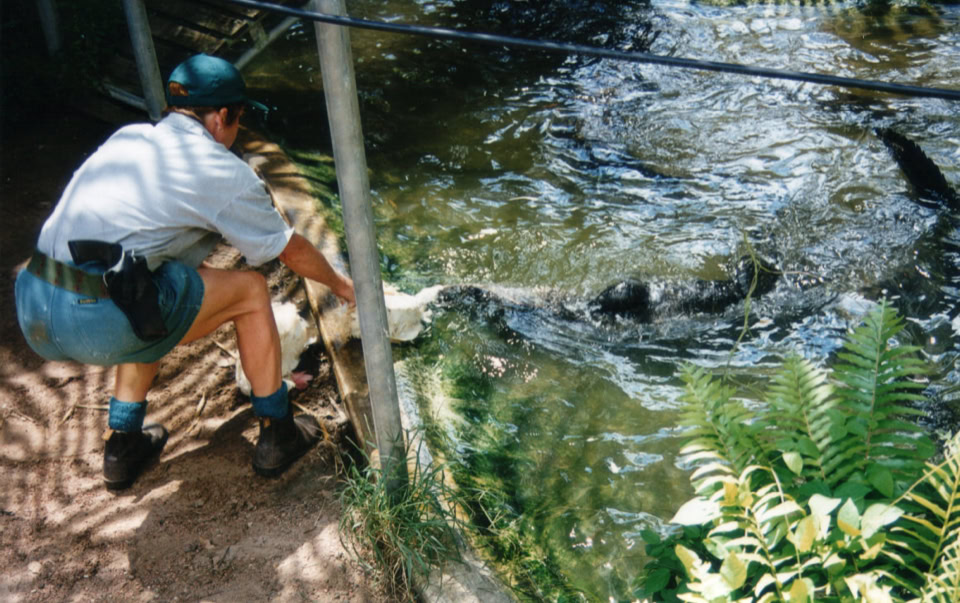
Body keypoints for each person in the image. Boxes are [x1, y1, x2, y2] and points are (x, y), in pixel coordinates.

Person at [14, 54, 356, 491]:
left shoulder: (130, 137)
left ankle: (123, 444)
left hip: (34, 304)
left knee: (145, 289)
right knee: (251, 290)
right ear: (222, 117)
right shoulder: (218, 169)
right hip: (95, 319)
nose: (237, 130)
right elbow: (288, 250)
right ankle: (278, 431)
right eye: (239, 119)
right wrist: (343, 285)